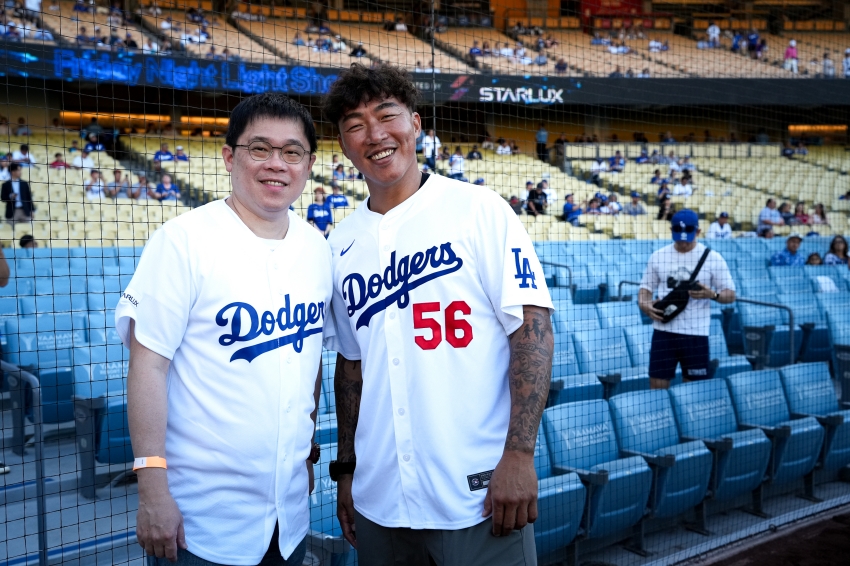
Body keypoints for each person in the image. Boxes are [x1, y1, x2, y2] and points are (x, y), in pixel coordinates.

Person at [321, 63, 551, 566]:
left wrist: (519, 455)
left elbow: (531, 330)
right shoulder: (339, 244)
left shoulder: (479, 209)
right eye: (355, 125)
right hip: (380, 501)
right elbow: (351, 366)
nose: (375, 134)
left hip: (478, 495)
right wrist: (347, 471)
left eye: (387, 115)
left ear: (418, 124)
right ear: (342, 144)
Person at [116, 92, 327, 566]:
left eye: (292, 151)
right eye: (260, 148)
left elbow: (306, 358)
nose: (277, 164)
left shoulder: (318, 249)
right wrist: (151, 488)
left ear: (309, 164)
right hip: (201, 522)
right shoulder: (182, 241)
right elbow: (148, 366)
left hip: (289, 517)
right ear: (230, 156)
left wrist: (308, 450)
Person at [639, 209, 736, 390]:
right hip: (663, 332)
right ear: (671, 230)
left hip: (695, 334)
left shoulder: (713, 259)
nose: (683, 243)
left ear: (698, 232)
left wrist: (712, 295)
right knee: (657, 388)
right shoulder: (658, 256)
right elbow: (645, 289)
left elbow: (730, 295)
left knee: (694, 391)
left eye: (688, 237)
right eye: (679, 237)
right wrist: (644, 304)